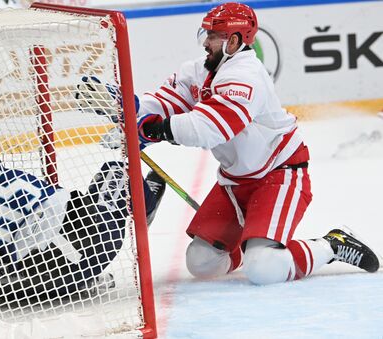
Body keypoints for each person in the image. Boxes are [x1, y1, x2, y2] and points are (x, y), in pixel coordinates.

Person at [130, 2, 379, 284]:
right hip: (236, 181)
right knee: (202, 263)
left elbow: (210, 127)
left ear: (233, 41)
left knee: (264, 269)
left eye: (213, 36)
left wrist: (154, 130)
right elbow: (167, 102)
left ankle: (331, 245)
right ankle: (254, 246)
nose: (206, 43)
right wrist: (128, 108)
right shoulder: (198, 70)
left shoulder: (246, 76)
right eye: (207, 34)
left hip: (277, 174)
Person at [0, 143, 162, 320]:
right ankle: (144, 207)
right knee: (117, 171)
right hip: (91, 235)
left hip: (66, 265)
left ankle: (79, 280)